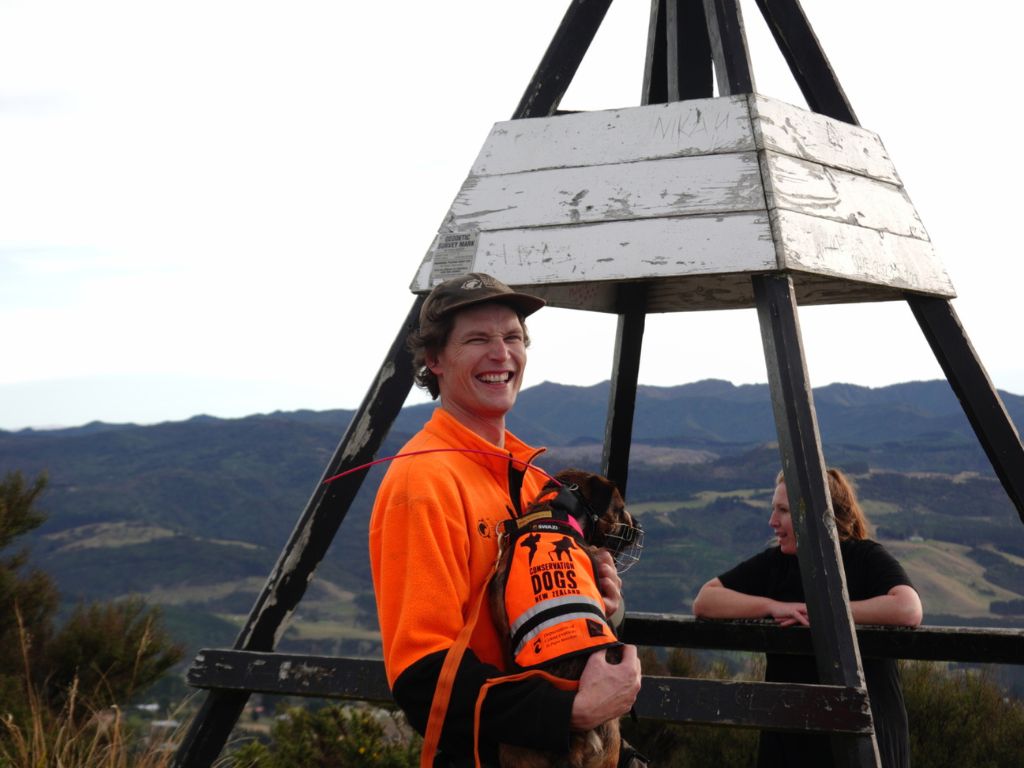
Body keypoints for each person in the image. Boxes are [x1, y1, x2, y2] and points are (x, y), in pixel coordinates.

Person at [369, 273, 642, 767]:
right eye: (477, 339)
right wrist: (570, 711)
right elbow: (421, 675)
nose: (502, 353)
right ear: (434, 360)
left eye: (512, 337)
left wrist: (600, 607)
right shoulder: (423, 480)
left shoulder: (533, 482)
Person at [692, 468, 923, 768]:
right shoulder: (777, 563)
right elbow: (705, 600)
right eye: (774, 509)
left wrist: (826, 613)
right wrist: (772, 606)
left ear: (814, 513)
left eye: (783, 511)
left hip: (866, 736)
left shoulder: (863, 557)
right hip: (792, 740)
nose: (772, 521)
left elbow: (908, 609)